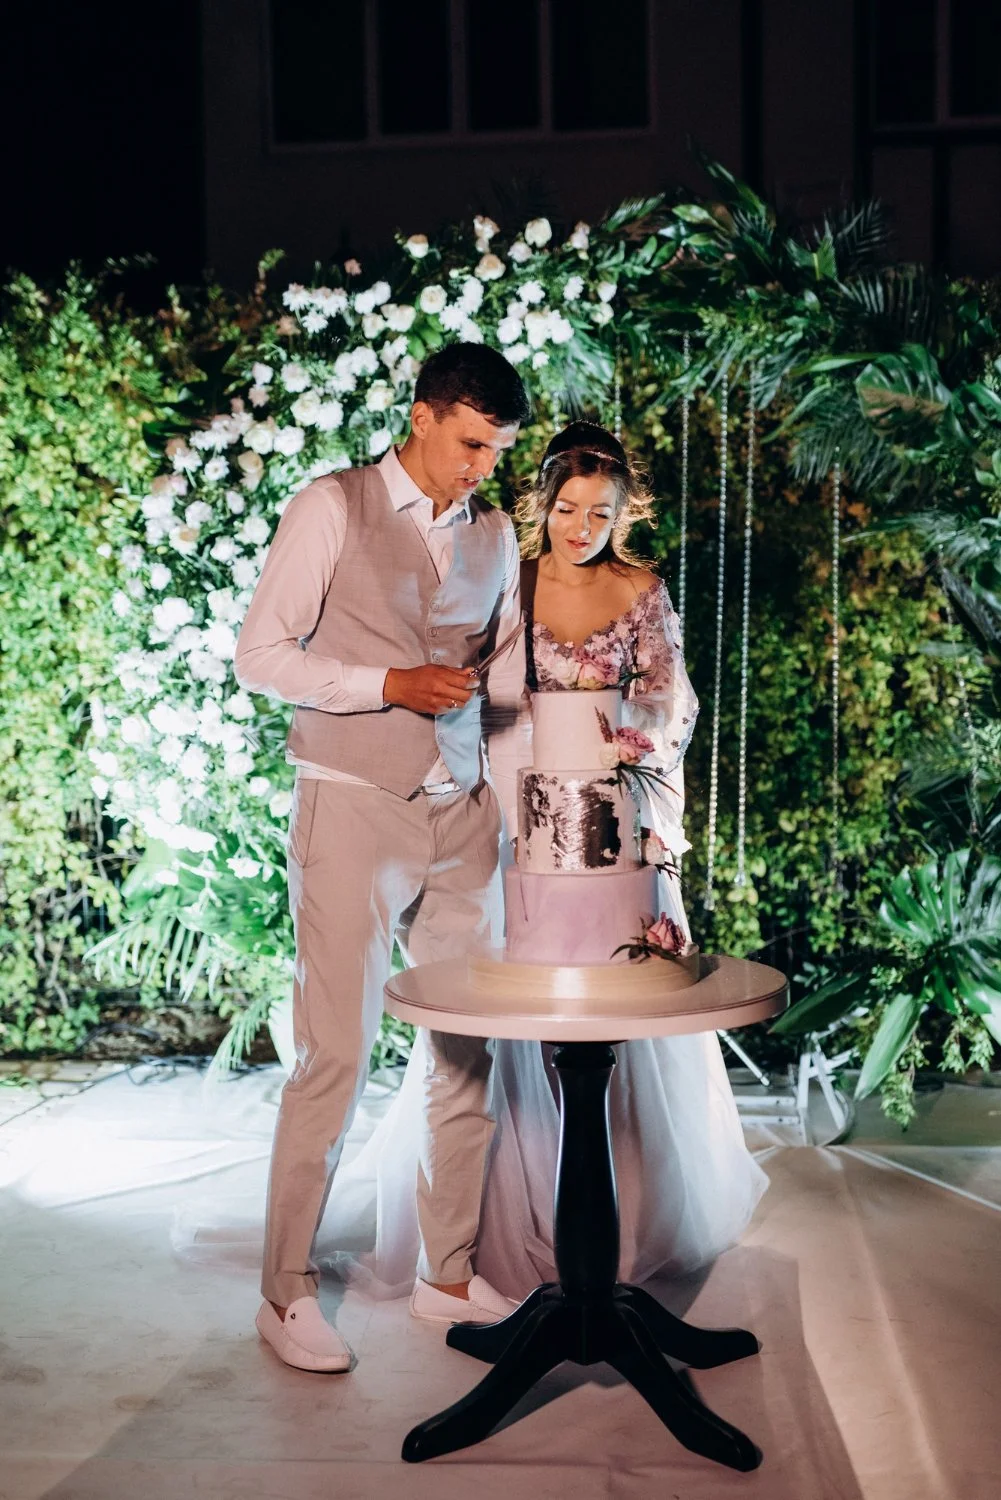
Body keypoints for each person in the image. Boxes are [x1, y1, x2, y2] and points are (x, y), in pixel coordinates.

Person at [331, 421, 766, 1300]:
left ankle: (622, 1225)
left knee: (617, 993)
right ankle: (487, 1230)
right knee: (511, 1001)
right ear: (543, 505)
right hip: (513, 817)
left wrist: (617, 743)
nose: (581, 526)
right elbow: (471, 684)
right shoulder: (510, 582)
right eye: (567, 508)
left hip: (611, 817)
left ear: (621, 513)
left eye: (599, 512)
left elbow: (668, 700)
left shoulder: (640, 587)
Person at [232, 341, 532, 1373]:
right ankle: (284, 1294)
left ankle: (444, 1278)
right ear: (420, 416)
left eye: (493, 452)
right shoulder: (332, 505)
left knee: (464, 1052)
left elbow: (498, 680)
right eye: (467, 445)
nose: (479, 468)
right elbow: (260, 656)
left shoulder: (494, 532)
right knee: (336, 1054)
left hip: (460, 821)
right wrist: (387, 685)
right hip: (353, 804)